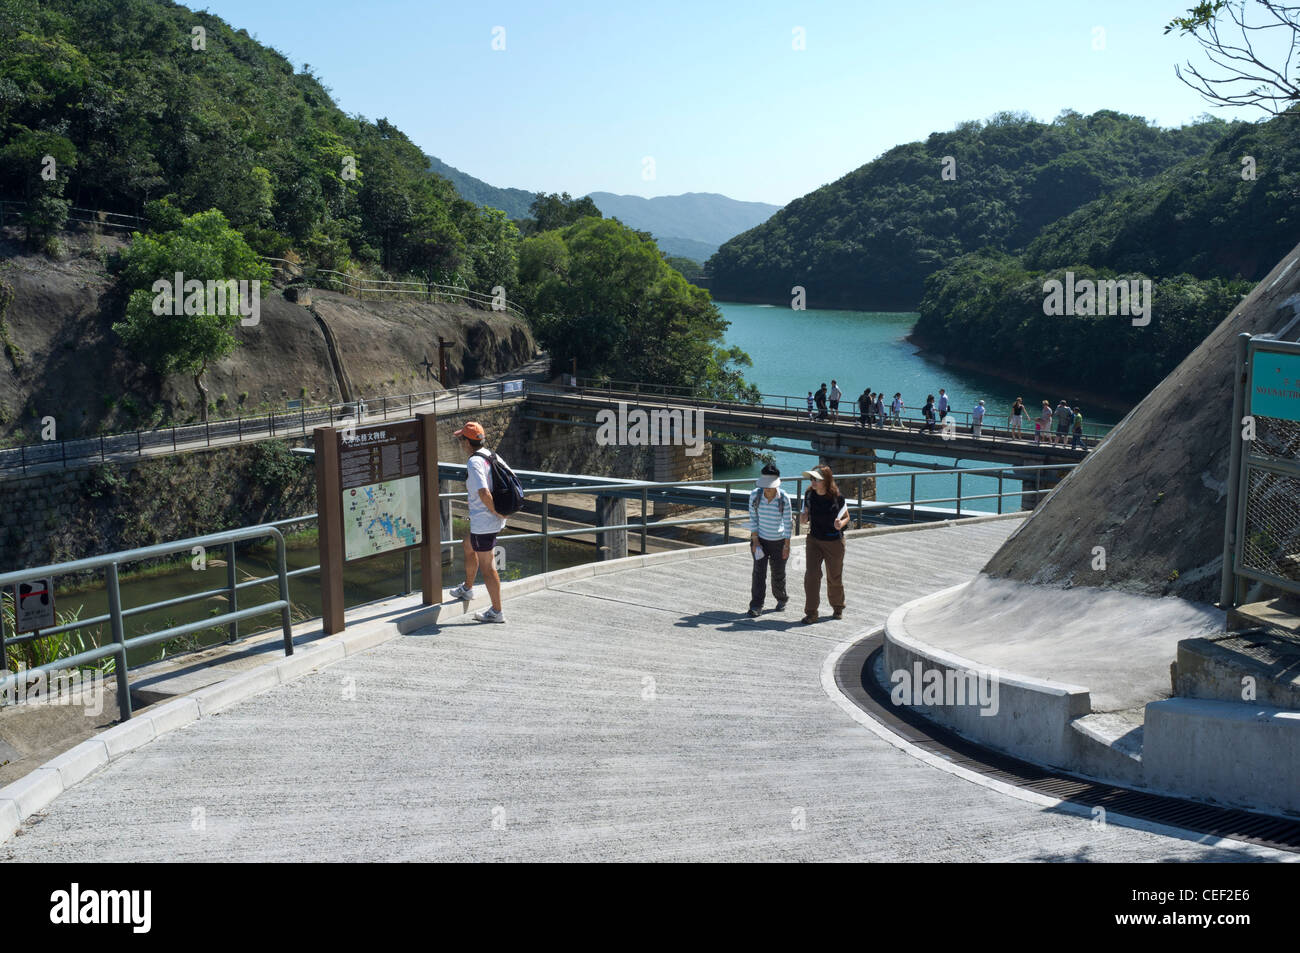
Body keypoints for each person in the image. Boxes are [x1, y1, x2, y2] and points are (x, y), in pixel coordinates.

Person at [447, 421, 508, 622]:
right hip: (486, 521)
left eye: (461, 439)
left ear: (467, 442)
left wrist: (497, 511)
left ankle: (497, 612)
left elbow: (483, 491)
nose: (460, 443)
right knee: (467, 544)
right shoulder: (491, 455)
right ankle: (468, 588)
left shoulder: (474, 462)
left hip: (485, 522)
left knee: (488, 567)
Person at [801, 465, 850, 624]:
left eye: (816, 479)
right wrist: (803, 517)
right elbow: (803, 518)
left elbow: (847, 517)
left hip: (834, 542)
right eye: (811, 479)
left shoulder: (838, 497)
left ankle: (837, 607)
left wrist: (840, 523)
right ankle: (811, 613)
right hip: (814, 539)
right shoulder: (809, 495)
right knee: (811, 576)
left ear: (826, 481)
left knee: (834, 577)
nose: (813, 482)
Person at [747, 463, 791, 617]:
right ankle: (756, 605)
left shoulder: (784, 498)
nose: (767, 488)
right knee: (758, 573)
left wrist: (787, 545)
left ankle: (781, 598)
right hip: (760, 540)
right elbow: (753, 518)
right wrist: (755, 541)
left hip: (779, 542)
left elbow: (788, 523)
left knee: (778, 572)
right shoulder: (755, 495)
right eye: (765, 485)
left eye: (770, 486)